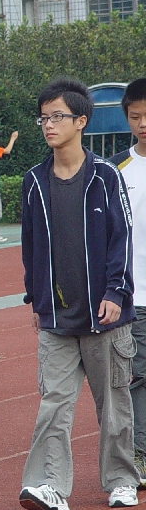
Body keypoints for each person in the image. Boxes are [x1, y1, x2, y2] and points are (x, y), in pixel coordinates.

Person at [19, 78, 139, 510]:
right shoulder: (33, 181)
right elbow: (30, 245)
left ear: (81, 121)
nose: (48, 125)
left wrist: (116, 291)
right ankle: (50, 484)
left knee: (113, 403)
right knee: (54, 402)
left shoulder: (106, 176)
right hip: (56, 318)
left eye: (57, 117)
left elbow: (122, 237)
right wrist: (36, 299)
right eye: (44, 118)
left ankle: (122, 478)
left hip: (106, 313)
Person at [108, 78, 146, 487]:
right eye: (135, 117)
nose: (143, 123)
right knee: (135, 375)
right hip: (135, 294)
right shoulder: (116, 169)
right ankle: (138, 453)